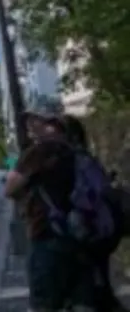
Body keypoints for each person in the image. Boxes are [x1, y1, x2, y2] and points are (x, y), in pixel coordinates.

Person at [5, 110, 97, 311]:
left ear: (53, 125)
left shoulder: (41, 151)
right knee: (82, 303)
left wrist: (18, 169)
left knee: (45, 304)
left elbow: (10, 188)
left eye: (37, 120)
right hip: (83, 238)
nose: (31, 125)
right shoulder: (78, 152)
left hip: (48, 237)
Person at [62, 115, 124, 312]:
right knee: (99, 286)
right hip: (97, 231)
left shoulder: (77, 160)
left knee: (92, 288)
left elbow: (95, 193)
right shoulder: (83, 158)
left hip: (89, 232)